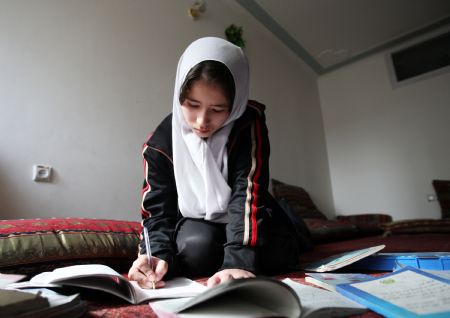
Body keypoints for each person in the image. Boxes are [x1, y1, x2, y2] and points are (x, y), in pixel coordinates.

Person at [128, 37, 303, 288]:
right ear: (179, 96)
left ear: (235, 104)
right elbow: (157, 213)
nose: (202, 121)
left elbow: (247, 192)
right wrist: (155, 256)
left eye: (218, 109)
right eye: (192, 105)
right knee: (196, 250)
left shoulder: (247, 122)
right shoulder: (159, 145)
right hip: (199, 221)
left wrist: (239, 261)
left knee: (277, 252)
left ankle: (291, 218)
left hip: (245, 212)